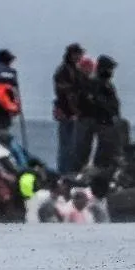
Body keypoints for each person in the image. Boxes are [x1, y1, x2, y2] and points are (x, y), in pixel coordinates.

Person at [53, 43, 89, 173]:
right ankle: (64, 173)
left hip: (73, 113)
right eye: (78, 54)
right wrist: (74, 110)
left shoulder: (75, 70)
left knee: (72, 147)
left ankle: (69, 171)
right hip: (67, 113)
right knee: (67, 146)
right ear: (72, 55)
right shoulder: (64, 71)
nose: (80, 57)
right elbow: (67, 93)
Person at [86, 55, 122, 168]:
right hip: (100, 120)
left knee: (109, 147)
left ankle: (105, 166)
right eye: (109, 69)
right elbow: (97, 100)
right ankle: (98, 167)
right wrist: (109, 109)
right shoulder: (95, 82)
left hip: (108, 120)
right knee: (102, 147)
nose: (111, 72)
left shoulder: (108, 84)